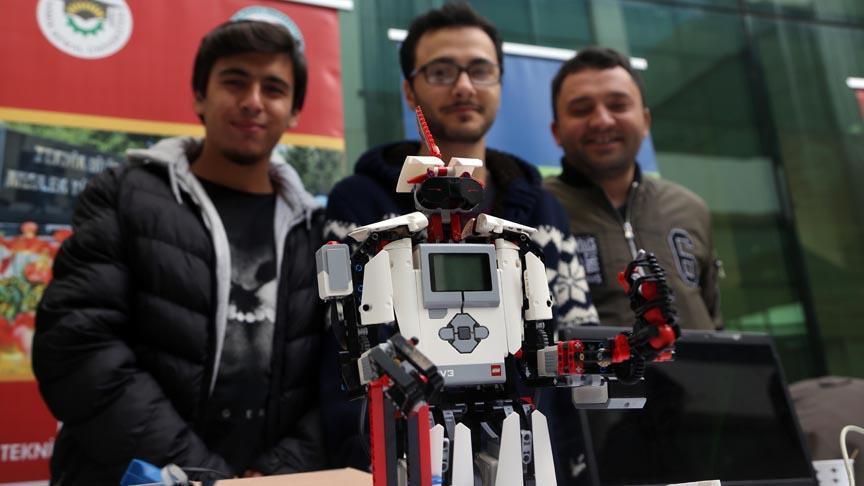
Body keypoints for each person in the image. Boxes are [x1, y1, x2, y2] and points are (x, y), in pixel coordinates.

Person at [32, 20, 326, 484]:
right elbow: (79, 347)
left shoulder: (316, 230)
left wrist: (278, 472)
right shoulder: (122, 196)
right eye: (234, 82)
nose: (253, 101)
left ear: (293, 112)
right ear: (199, 97)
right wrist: (203, 476)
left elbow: (338, 377)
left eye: (273, 89)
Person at [320, 2, 599, 471]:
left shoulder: (542, 214)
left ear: (500, 83)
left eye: (480, 70)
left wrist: (570, 460)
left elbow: (567, 336)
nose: (464, 86)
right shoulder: (362, 205)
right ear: (410, 88)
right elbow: (342, 345)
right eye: (442, 71)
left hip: (522, 445)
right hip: (406, 445)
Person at [544, 47, 722, 331]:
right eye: (581, 110)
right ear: (556, 132)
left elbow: (714, 317)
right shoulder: (536, 211)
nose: (602, 120)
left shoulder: (690, 208)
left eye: (618, 105)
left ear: (646, 121)